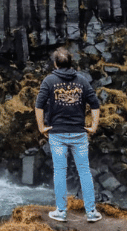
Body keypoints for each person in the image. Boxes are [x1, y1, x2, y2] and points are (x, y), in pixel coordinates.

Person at [35, 47, 103, 223]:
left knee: (59, 172)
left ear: (56, 63)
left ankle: (61, 212)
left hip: (57, 134)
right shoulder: (82, 80)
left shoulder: (49, 81)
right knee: (84, 172)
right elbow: (95, 104)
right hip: (79, 134)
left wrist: (42, 127)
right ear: (71, 62)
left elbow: (39, 105)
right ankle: (91, 212)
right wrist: (93, 126)